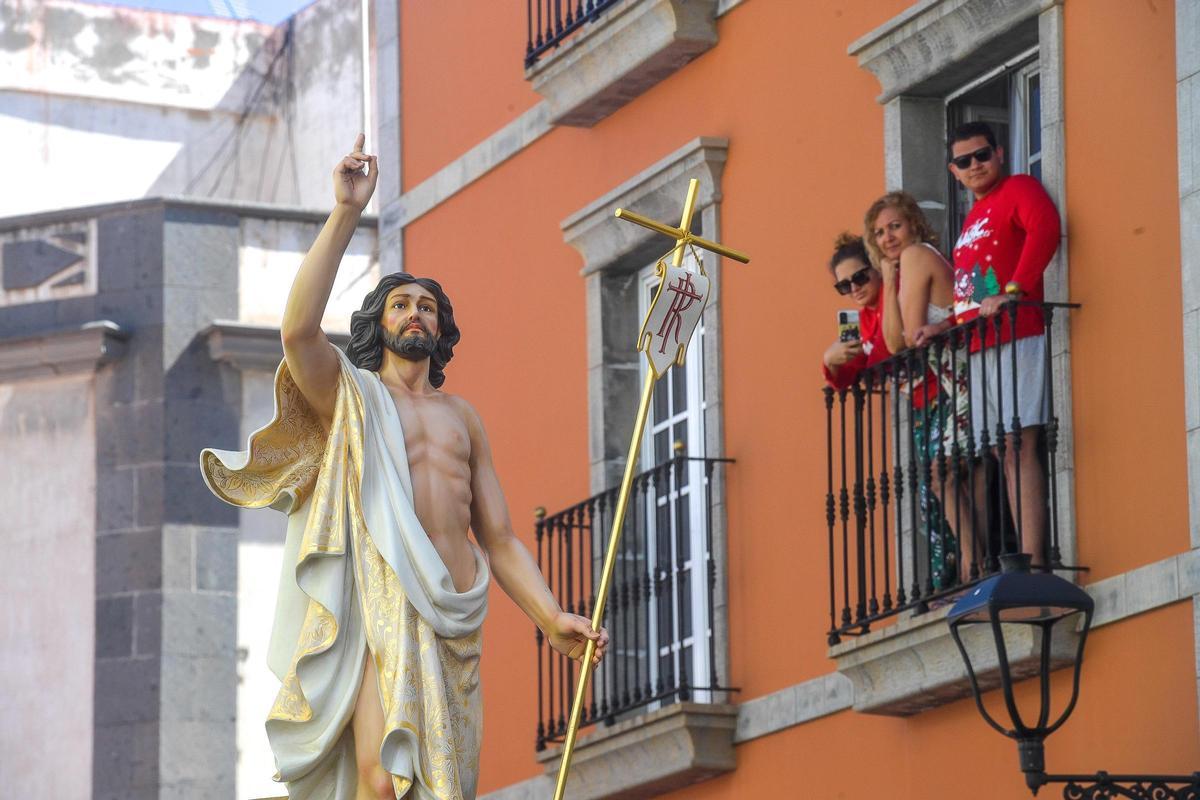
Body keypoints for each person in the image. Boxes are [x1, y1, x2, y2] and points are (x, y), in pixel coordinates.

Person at [200, 135, 608, 800]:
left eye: (426, 305)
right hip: (378, 603)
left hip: (452, 617)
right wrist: (345, 213)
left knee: (442, 783)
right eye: (400, 303)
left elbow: (498, 537)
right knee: (382, 778)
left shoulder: (462, 418)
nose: (413, 312)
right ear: (379, 324)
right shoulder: (352, 396)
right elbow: (299, 331)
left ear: (442, 328)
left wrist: (550, 615)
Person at [948, 120, 1061, 573]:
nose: (974, 165)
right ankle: (1022, 558)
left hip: (1019, 332)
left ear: (999, 154)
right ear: (953, 170)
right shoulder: (972, 217)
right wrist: (945, 326)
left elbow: (1046, 229)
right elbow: (971, 283)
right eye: (964, 160)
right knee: (1001, 449)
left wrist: (1015, 290)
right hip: (978, 342)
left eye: (982, 155)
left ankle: (1032, 562)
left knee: (1019, 442)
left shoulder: (1019, 188)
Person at [864, 192, 965, 589]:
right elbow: (894, 342)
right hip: (952, 381)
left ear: (914, 225)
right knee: (953, 481)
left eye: (894, 226)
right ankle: (969, 565)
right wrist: (888, 283)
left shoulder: (916, 255)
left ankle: (969, 565)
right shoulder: (903, 268)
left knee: (941, 480)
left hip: (957, 380)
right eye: (878, 233)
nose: (887, 237)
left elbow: (901, 340)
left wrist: (892, 281)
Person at [822, 232, 888, 389]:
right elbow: (846, 377)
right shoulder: (861, 320)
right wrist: (830, 361)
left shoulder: (894, 292)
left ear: (877, 268)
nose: (854, 288)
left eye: (860, 277)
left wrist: (872, 369)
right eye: (844, 286)